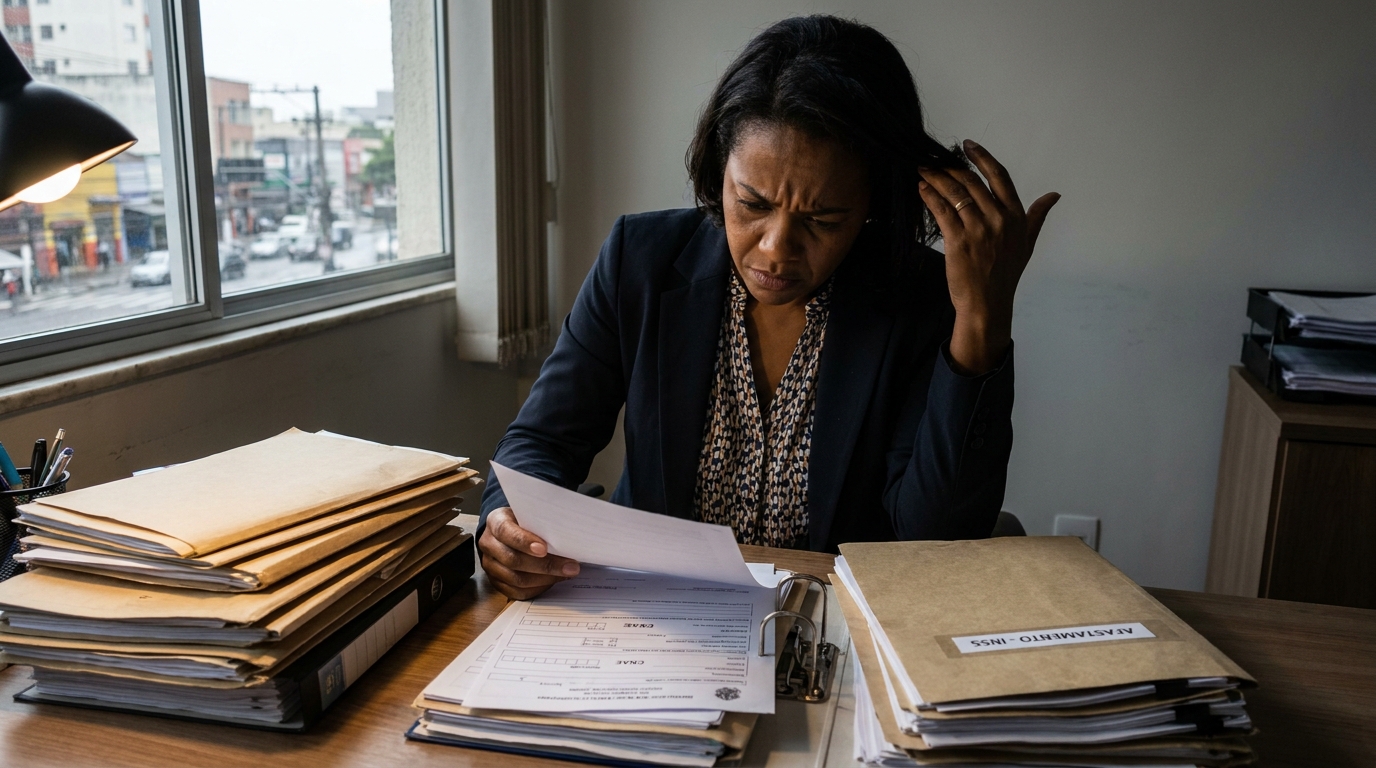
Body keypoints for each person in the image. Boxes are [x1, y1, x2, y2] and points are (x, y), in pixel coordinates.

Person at [477, 15, 1059, 600]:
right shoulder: (641, 261)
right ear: (718, 173)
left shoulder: (922, 298)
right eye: (751, 203)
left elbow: (935, 540)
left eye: (822, 219)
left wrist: (981, 321)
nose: (775, 248)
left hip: (831, 628)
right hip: (657, 617)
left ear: (873, 206)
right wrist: (506, 522)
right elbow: (541, 442)